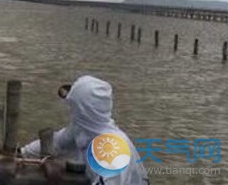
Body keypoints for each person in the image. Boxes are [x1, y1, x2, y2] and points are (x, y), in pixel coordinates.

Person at [18, 75, 149, 184]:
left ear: (82, 109)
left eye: (72, 105)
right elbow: (57, 143)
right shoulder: (81, 129)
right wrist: (21, 153)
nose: (69, 109)